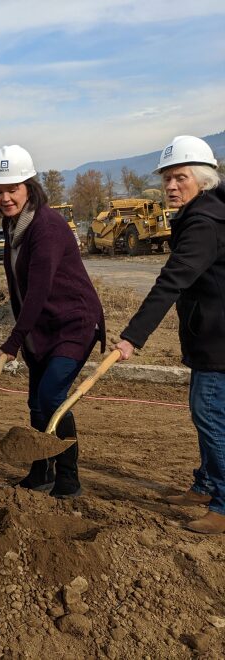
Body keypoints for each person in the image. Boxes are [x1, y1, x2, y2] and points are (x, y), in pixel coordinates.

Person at [114, 135, 225, 533]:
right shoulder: (202, 212)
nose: (172, 186)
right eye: (167, 179)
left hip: (218, 337)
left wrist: (132, 337)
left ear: (203, 179)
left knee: (210, 414)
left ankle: (223, 504)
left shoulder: (204, 222)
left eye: (180, 177)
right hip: (208, 333)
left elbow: (171, 282)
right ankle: (206, 485)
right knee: (206, 413)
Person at [0, 145, 104, 498]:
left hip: (74, 323)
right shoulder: (13, 226)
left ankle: (68, 478)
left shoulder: (46, 226)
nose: (6, 197)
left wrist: (14, 339)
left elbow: (38, 289)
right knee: (36, 403)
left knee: (53, 396)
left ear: (30, 186)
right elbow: (18, 287)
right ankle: (40, 472)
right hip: (42, 327)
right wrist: (26, 335)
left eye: (13, 189)